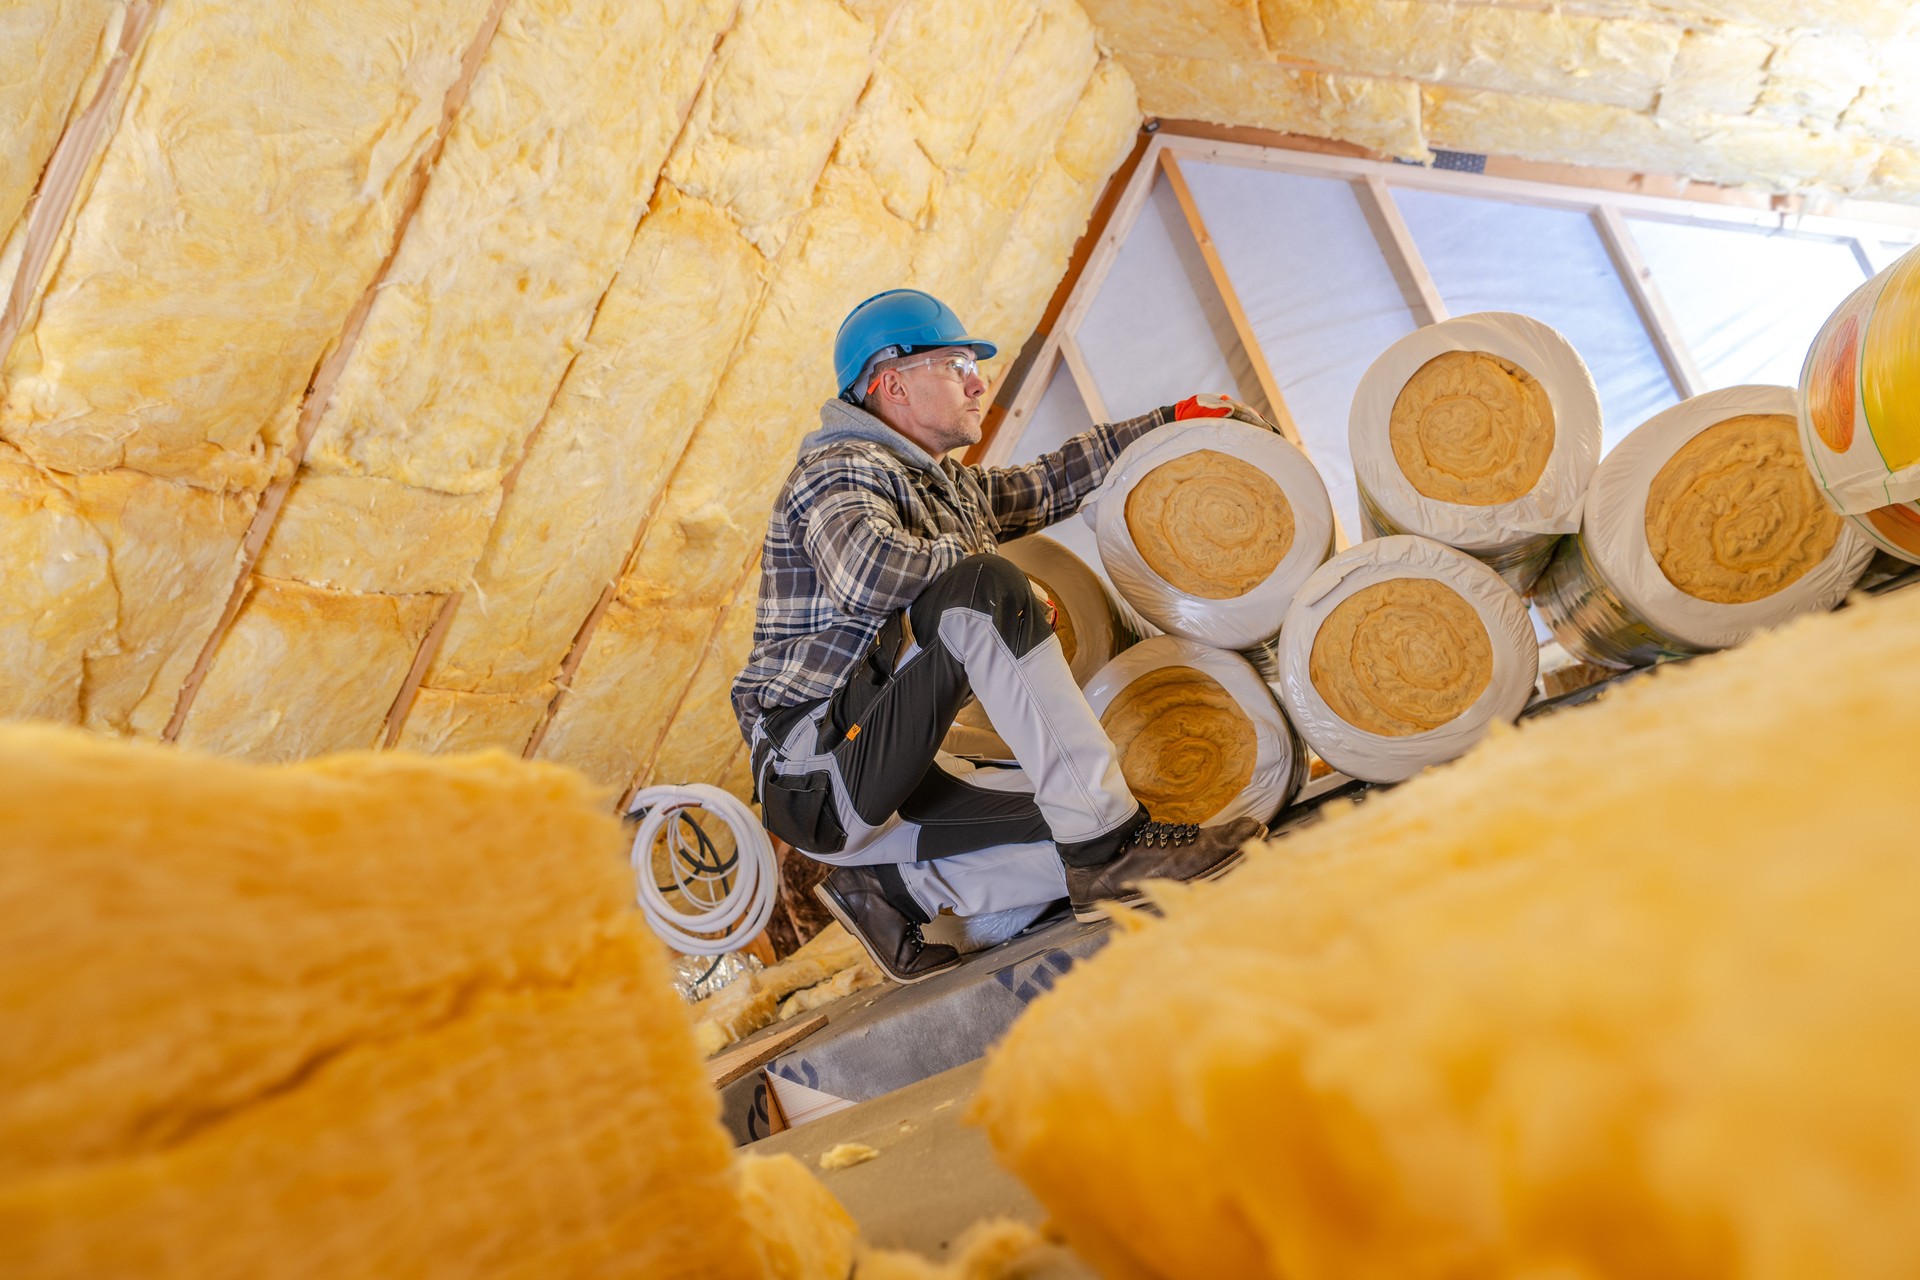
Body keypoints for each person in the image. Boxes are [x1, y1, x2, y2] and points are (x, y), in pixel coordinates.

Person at [731, 288, 1273, 984]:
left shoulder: (940, 487)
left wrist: (1174, 421)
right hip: (818, 769)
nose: (977, 380)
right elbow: (864, 572)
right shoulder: (838, 469)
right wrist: (1001, 588)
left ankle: (895, 894)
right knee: (988, 590)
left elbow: (1051, 480)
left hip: (889, 771)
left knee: (1075, 811)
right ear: (892, 381)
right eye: (955, 363)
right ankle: (1110, 851)